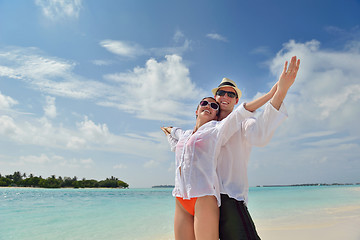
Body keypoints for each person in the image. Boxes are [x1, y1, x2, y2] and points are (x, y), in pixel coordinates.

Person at [213, 56, 300, 239]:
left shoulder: (244, 121)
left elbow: (260, 135)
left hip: (230, 198)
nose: (226, 97)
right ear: (215, 96)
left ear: (237, 101)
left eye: (231, 94)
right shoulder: (208, 125)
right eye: (222, 93)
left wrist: (280, 92)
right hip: (206, 200)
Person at [161, 96, 257, 240]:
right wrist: (168, 129)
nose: (208, 106)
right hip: (181, 197)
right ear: (196, 110)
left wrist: (276, 92)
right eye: (204, 103)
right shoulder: (185, 134)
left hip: (204, 197)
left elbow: (242, 112)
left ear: (216, 115)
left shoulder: (215, 130)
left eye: (214, 106)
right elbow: (175, 133)